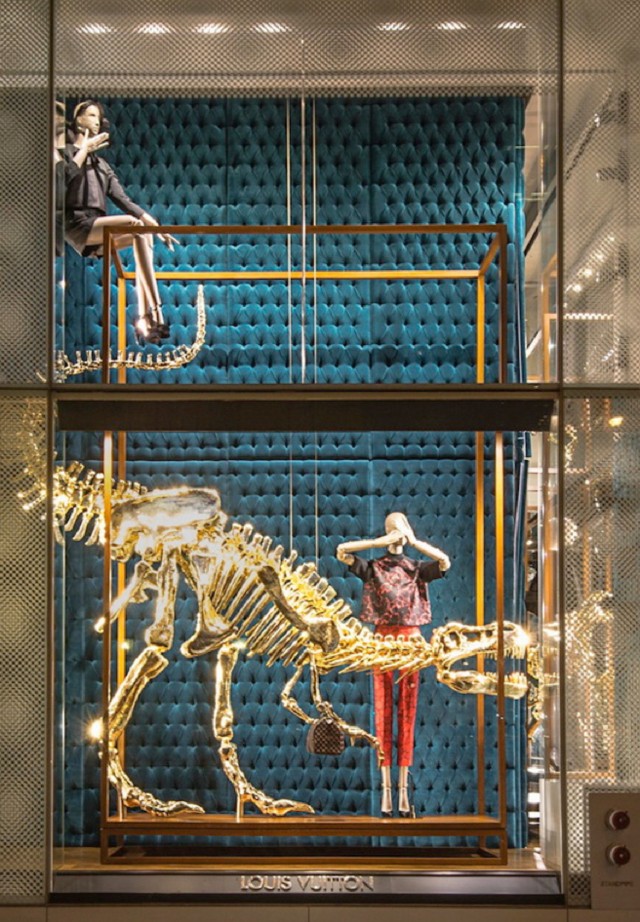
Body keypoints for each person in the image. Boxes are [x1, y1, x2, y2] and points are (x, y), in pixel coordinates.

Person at [336, 513, 450, 817]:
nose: (397, 534)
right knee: (383, 709)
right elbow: (342, 551)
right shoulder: (374, 567)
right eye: (392, 529)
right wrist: (378, 542)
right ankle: (386, 790)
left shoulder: (416, 568)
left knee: (407, 712)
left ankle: (403, 791)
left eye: (401, 528)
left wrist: (415, 542)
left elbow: (444, 562)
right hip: (382, 641)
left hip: (411, 641)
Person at [62, 100, 175, 344]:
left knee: (143, 233)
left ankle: (145, 317)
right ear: (78, 119)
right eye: (91, 115)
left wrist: (157, 228)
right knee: (135, 226)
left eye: (98, 117)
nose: (96, 121)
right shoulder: (67, 153)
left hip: (97, 226)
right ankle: (157, 310)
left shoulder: (102, 166)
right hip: (76, 224)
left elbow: (124, 201)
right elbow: (64, 178)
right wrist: (84, 149)